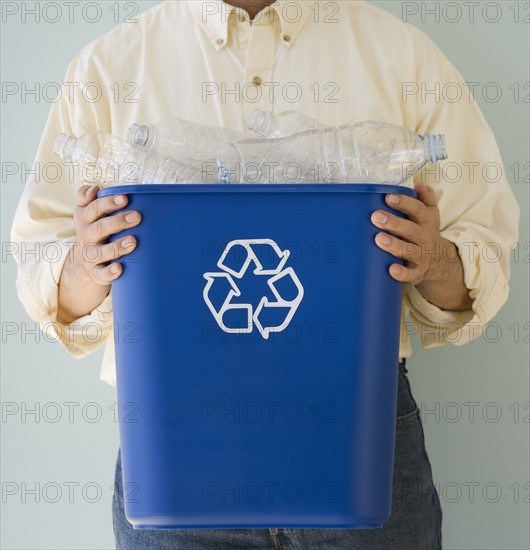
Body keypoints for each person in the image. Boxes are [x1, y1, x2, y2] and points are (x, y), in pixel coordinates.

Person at [11, 0, 519, 548]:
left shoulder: (402, 55)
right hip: (175, 444)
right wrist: (89, 260)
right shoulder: (109, 67)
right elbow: (43, 269)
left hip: (355, 438)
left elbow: (483, 254)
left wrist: (433, 256)